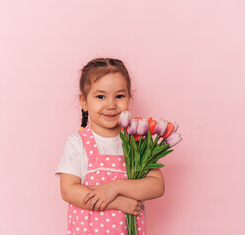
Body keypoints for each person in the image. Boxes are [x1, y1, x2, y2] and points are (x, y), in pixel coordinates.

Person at [55, 57, 165, 234]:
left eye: (119, 96)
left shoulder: (135, 140)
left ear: (129, 97)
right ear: (84, 101)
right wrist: (119, 202)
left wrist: (115, 187)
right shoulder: (78, 143)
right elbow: (68, 191)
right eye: (100, 96)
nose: (111, 104)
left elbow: (157, 186)